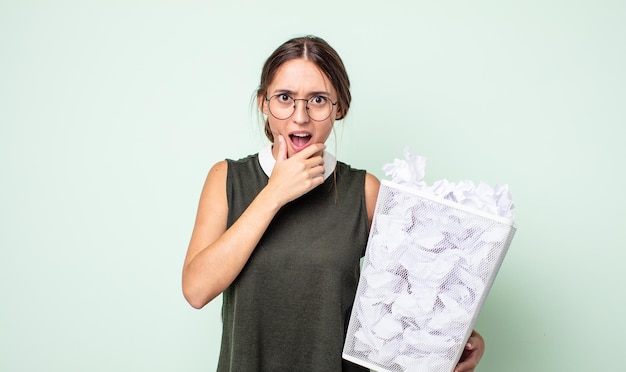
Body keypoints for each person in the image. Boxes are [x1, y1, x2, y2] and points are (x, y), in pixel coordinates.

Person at [182, 35, 485, 372]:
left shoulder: (364, 191)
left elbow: (418, 298)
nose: (300, 116)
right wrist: (274, 193)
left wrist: (462, 338)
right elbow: (196, 290)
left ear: (339, 107)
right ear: (263, 103)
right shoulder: (227, 178)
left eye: (318, 100)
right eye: (285, 98)